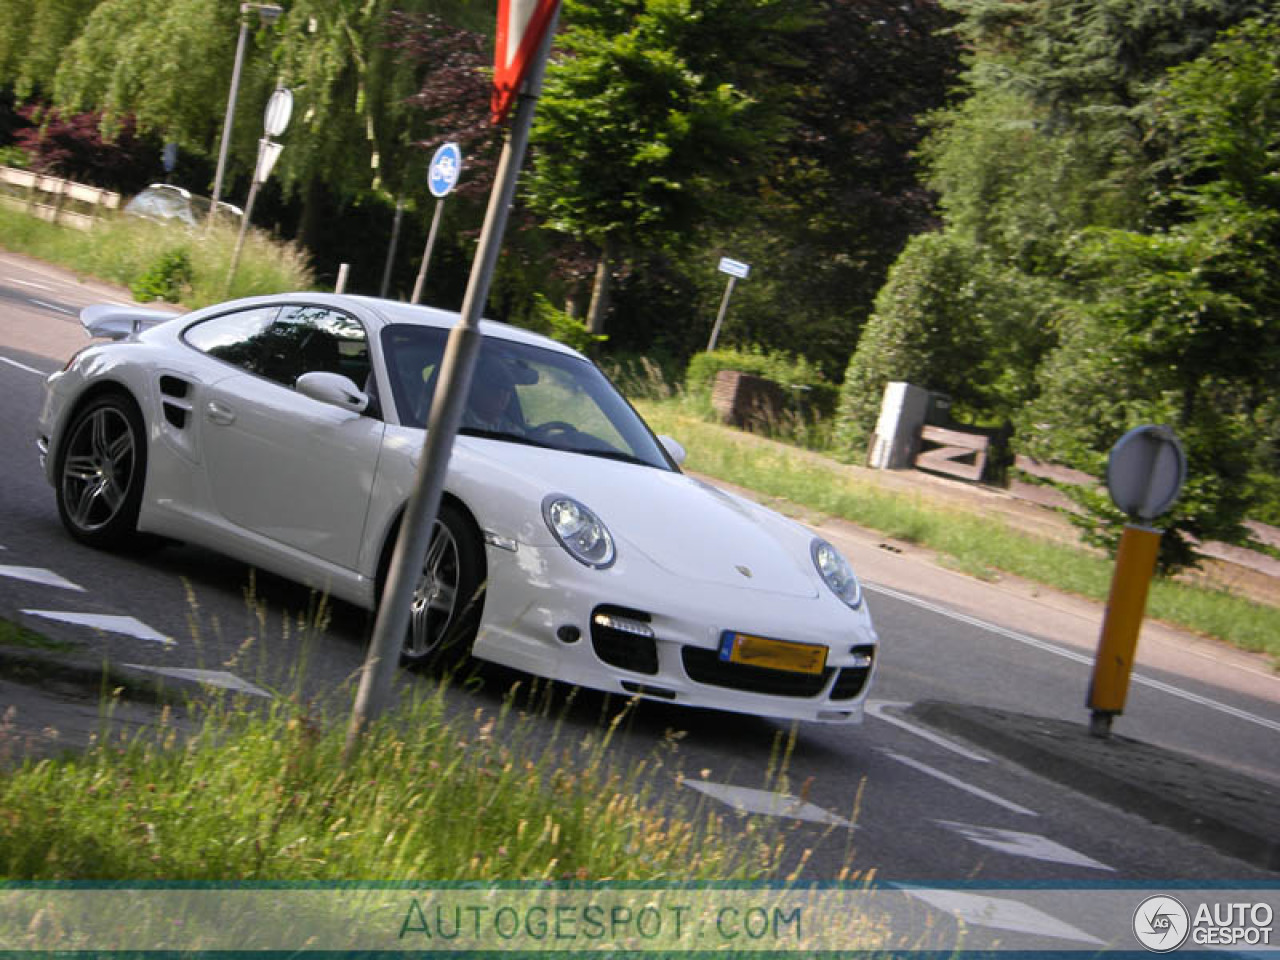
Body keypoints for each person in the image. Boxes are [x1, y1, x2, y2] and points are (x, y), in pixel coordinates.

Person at [463, 356, 523, 434]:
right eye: (497, 389)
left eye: (507, 390)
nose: (503, 397)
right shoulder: (456, 422)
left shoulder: (505, 425)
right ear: (476, 387)